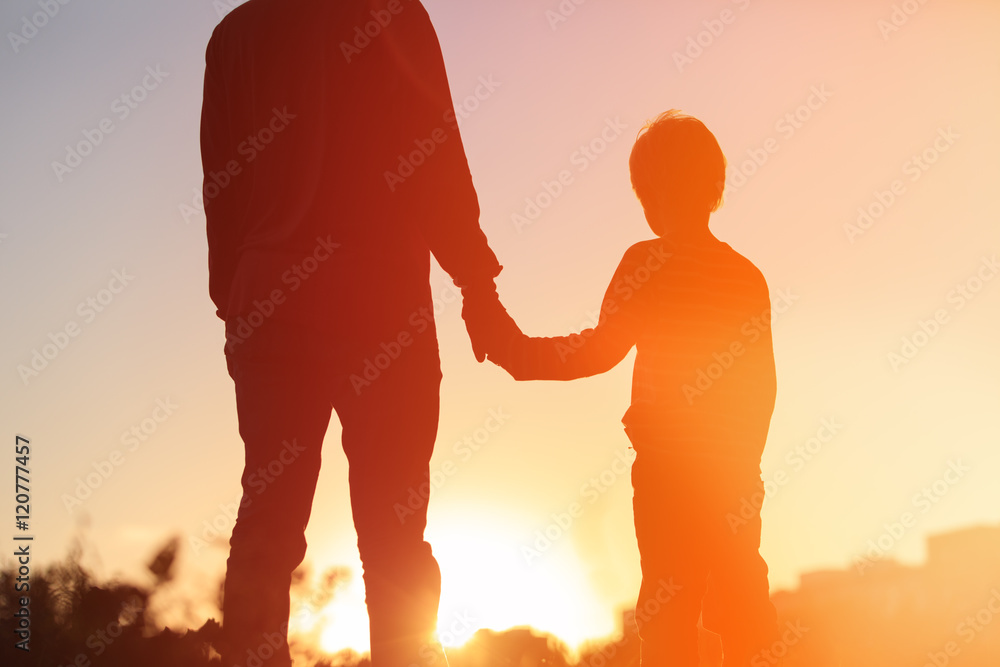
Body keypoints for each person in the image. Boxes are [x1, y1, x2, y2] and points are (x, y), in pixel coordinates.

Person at [200, 1, 503, 665]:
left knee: (266, 528)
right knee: (394, 537)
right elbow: (434, 156)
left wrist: (234, 306)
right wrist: (476, 284)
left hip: (272, 311)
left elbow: (222, 192)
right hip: (381, 310)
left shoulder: (235, 36)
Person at [480, 111, 782, 666]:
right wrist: (746, 475)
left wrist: (515, 351)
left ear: (649, 194)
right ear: (714, 185)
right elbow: (763, 388)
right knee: (745, 619)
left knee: (669, 623)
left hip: (669, 475)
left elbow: (598, 351)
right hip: (734, 479)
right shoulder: (747, 276)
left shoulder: (647, 262)